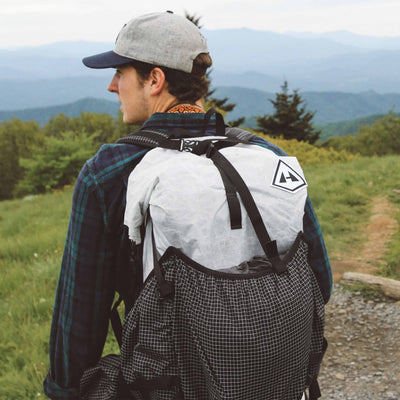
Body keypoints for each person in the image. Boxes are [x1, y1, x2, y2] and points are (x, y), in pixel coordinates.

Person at [43, 11, 332, 399]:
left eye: (121, 73)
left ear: (155, 80)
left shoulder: (110, 172)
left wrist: (63, 391)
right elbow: (320, 280)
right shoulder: (265, 155)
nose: (113, 86)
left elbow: (79, 325)